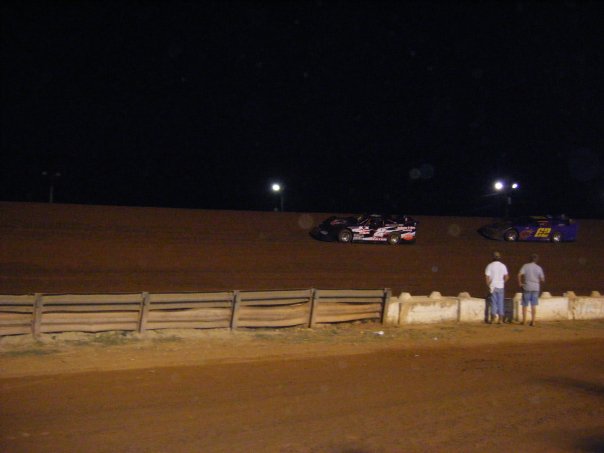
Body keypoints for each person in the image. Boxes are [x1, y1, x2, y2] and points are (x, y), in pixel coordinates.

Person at [517, 253, 545, 326]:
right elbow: (542, 279)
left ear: (530, 259)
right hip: (535, 288)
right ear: (536, 260)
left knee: (524, 305)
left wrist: (520, 283)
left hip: (527, 287)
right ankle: (533, 321)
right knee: (533, 305)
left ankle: (524, 321)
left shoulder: (525, 266)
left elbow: (519, 274)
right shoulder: (539, 268)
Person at [485, 251, 509, 324]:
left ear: (493, 258)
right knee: (500, 302)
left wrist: (488, 285)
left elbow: (487, 277)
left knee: (493, 303)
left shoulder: (490, 266)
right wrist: (502, 282)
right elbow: (507, 277)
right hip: (501, 286)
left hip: (493, 286)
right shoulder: (503, 266)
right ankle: (500, 320)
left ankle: (493, 319)